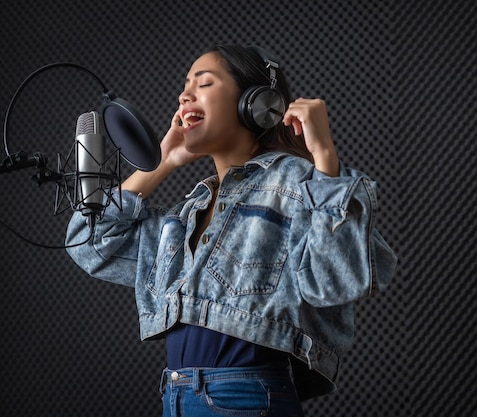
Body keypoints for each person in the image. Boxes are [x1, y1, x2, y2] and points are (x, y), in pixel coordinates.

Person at [66, 44, 397, 417]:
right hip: (176, 397)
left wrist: (325, 160)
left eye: (204, 83)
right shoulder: (187, 214)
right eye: (185, 84)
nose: (184, 94)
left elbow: (338, 280)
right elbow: (89, 242)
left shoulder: (298, 183)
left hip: (244, 399)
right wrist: (163, 161)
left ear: (257, 103)